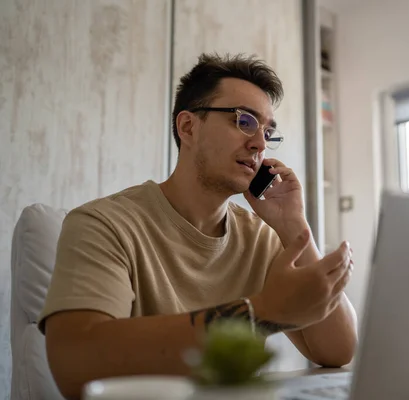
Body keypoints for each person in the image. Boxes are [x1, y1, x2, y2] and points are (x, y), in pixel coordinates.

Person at [40, 53, 358, 399]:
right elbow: (74, 364)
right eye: (245, 121)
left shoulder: (261, 238)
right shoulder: (105, 224)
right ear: (188, 127)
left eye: (268, 132)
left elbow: (338, 351)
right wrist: (261, 311)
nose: (260, 144)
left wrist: (294, 227)